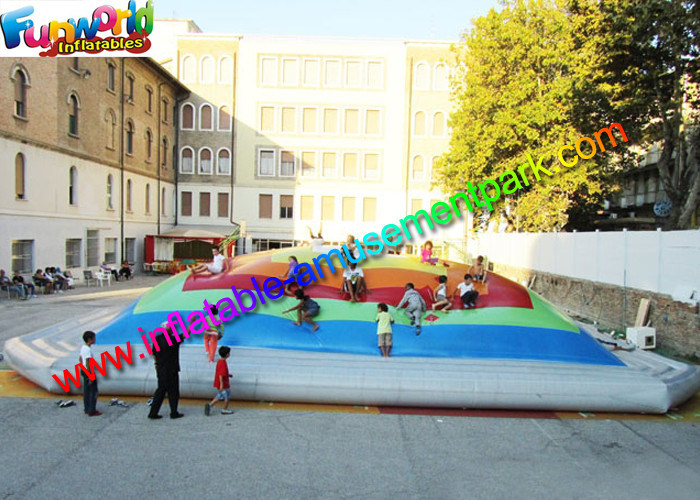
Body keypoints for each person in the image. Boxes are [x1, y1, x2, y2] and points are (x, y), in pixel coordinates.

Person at [148, 322, 184, 419]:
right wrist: (192, 322)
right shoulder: (172, 339)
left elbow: (154, 353)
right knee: (173, 391)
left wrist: (156, 364)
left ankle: (153, 412)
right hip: (171, 369)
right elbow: (185, 334)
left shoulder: (157, 339)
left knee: (160, 390)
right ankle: (174, 412)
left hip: (161, 369)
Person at [205, 346, 234, 416]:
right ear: (227, 354)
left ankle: (210, 405)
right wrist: (222, 384)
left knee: (220, 396)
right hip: (224, 385)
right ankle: (224, 409)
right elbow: (221, 374)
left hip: (219, 383)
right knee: (227, 397)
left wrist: (228, 375)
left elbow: (221, 372)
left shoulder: (219, 361)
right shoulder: (223, 363)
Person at [79, 331, 101, 416]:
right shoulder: (88, 349)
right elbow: (88, 362)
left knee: (87, 391)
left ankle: (87, 408)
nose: (95, 339)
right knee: (93, 391)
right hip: (89, 371)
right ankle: (92, 410)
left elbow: (80, 359)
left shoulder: (83, 347)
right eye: (94, 338)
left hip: (84, 370)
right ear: (89, 339)